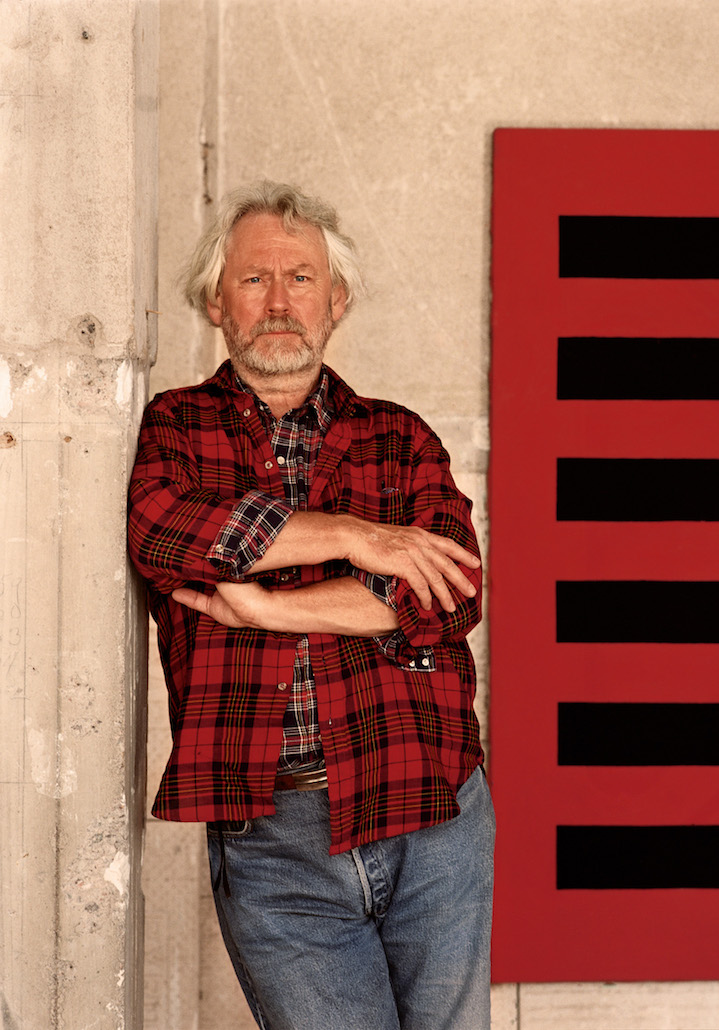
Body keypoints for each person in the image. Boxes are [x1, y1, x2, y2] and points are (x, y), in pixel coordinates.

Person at [128, 181, 493, 1030]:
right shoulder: (176, 429)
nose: (280, 300)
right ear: (217, 303)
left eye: (302, 278)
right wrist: (356, 537)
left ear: (337, 300)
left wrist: (266, 610)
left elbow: (445, 593)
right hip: (274, 831)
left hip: (432, 805)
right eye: (254, 279)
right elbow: (165, 533)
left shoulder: (401, 438)